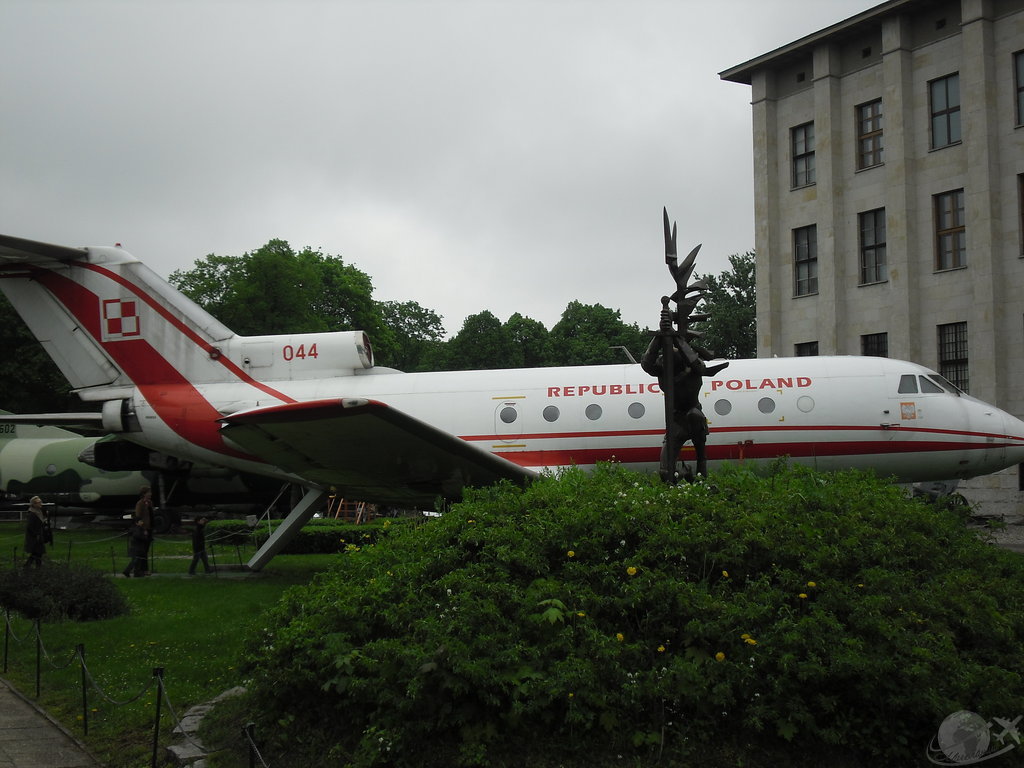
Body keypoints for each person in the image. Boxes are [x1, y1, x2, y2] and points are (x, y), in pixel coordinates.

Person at [134, 486, 154, 574]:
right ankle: (143, 569)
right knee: (143, 550)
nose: (150, 494)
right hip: (143, 529)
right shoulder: (140, 503)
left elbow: (151, 515)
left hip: (150, 528)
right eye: (149, 492)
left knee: (146, 550)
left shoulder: (150, 503)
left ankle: (144, 569)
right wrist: (143, 529)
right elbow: (138, 517)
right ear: (144, 494)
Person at [23, 496, 48, 568]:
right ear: (34, 504)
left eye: (41, 502)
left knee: (37, 554)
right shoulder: (32, 514)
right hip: (34, 537)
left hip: (39, 536)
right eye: (38, 502)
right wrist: (36, 535)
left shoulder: (39, 512)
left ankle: (33, 567)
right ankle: (29, 567)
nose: (41, 504)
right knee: (37, 553)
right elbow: (29, 527)